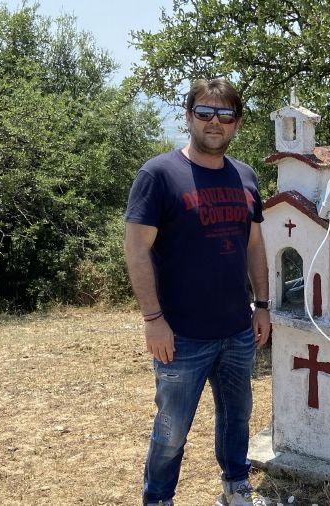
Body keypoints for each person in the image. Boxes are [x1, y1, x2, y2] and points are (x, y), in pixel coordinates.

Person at [124, 78, 270, 506]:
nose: (214, 122)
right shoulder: (158, 174)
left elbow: (254, 245)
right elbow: (136, 249)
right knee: (171, 430)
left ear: (237, 123)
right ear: (189, 116)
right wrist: (153, 320)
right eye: (204, 112)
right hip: (181, 334)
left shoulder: (245, 175)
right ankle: (158, 499)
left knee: (237, 418)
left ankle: (236, 486)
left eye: (225, 114)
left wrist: (262, 305)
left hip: (237, 330)